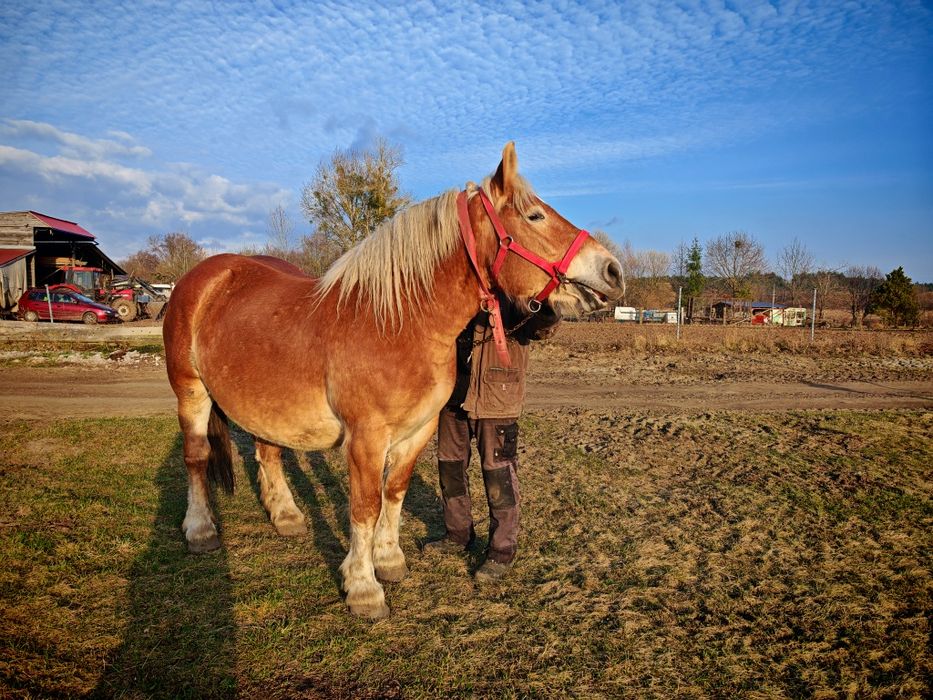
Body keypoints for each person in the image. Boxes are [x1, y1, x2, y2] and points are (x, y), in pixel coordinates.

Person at [424, 292, 561, 582]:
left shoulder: (514, 295)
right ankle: (457, 534)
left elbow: (542, 327)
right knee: (450, 471)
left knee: (499, 477)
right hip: (450, 398)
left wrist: (543, 305)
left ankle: (501, 550)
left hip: (495, 400)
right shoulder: (462, 287)